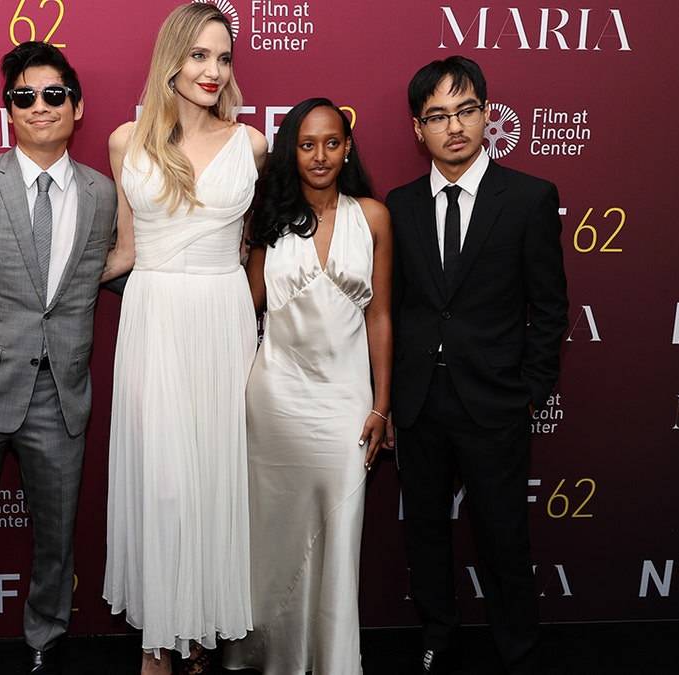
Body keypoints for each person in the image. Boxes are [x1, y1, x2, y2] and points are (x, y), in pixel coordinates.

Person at [0, 42, 117, 675]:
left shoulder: (102, 194)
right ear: (8, 109)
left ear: (77, 107)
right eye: (24, 96)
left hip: (60, 393)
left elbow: (117, 273)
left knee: (57, 539)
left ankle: (45, 636)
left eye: (54, 94)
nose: (40, 106)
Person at [100, 3, 268, 674]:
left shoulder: (252, 143)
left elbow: (258, 246)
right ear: (171, 58)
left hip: (224, 315)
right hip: (155, 312)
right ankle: (156, 639)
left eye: (223, 57)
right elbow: (124, 249)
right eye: (199, 55)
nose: (212, 70)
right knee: (163, 479)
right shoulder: (125, 141)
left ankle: (197, 632)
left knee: (212, 476)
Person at [387, 56, 568, 675]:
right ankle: (438, 637)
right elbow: (398, 306)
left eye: (466, 110)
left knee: (503, 537)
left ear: (487, 114)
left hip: (495, 401)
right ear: (419, 129)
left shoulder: (529, 198)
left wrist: (531, 389)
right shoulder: (400, 204)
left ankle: (517, 647)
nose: (454, 126)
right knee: (426, 535)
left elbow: (549, 307)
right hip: (418, 402)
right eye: (437, 116)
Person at [222, 98, 393, 675]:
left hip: (347, 401)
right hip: (274, 401)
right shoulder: (268, 221)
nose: (320, 156)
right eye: (306, 144)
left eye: (332, 143)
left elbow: (382, 317)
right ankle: (263, 653)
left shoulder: (372, 217)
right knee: (270, 535)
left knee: (341, 532)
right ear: (290, 151)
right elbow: (248, 309)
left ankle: (333, 659)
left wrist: (383, 402)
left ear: (348, 149)